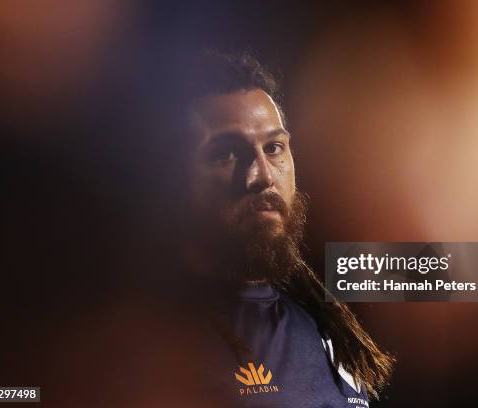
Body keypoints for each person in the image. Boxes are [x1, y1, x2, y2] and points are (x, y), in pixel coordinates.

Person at [150, 50, 394, 407]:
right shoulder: (143, 340)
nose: (262, 175)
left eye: (274, 148)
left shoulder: (330, 324)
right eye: (226, 154)